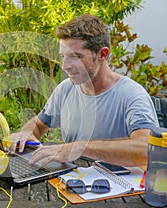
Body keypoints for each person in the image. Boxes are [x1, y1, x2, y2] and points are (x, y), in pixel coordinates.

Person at [10, 14, 159, 167]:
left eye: (75, 57)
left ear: (102, 54)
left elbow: (146, 148)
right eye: (63, 56)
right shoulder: (66, 89)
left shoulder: (131, 94)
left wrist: (80, 147)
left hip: (122, 188)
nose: (65, 66)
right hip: (72, 182)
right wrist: (27, 133)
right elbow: (39, 124)